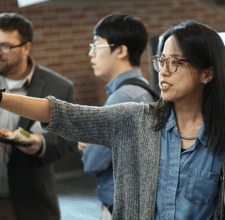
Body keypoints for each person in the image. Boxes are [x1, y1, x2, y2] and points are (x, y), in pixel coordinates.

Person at [0, 20, 225, 220]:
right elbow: (65, 114)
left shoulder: (219, 138)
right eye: (161, 61)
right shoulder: (138, 118)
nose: (163, 72)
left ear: (207, 73)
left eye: (175, 62)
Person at [77, 14, 155, 220]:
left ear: (120, 50)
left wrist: (89, 143)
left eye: (96, 45)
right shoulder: (138, 89)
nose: (90, 53)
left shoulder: (123, 97)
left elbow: (92, 162)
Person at [0, 13, 76, 220]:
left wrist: (39, 143)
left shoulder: (59, 87)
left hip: (33, 200)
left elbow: (68, 139)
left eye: (5, 46)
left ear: (26, 47)